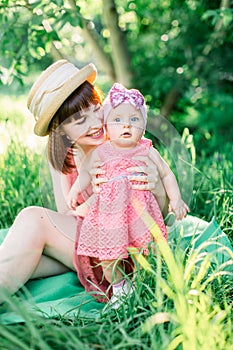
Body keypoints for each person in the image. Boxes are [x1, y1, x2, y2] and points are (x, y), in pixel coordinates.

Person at [0, 59, 168, 304]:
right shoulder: (61, 153)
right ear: (60, 129)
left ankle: (122, 286)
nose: (94, 124)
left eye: (96, 108)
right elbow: (65, 215)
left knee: (33, 220)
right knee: (23, 257)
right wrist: (91, 201)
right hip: (86, 244)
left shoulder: (122, 141)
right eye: (79, 121)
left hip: (122, 251)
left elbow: (159, 215)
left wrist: (158, 188)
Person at [66, 83, 189, 306]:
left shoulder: (147, 149)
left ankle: (149, 285)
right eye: (118, 120)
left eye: (134, 120)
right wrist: (75, 189)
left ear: (144, 125)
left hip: (141, 215)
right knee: (108, 257)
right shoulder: (102, 151)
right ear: (106, 125)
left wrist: (176, 200)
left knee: (147, 252)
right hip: (110, 217)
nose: (126, 126)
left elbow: (167, 174)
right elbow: (85, 173)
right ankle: (120, 290)